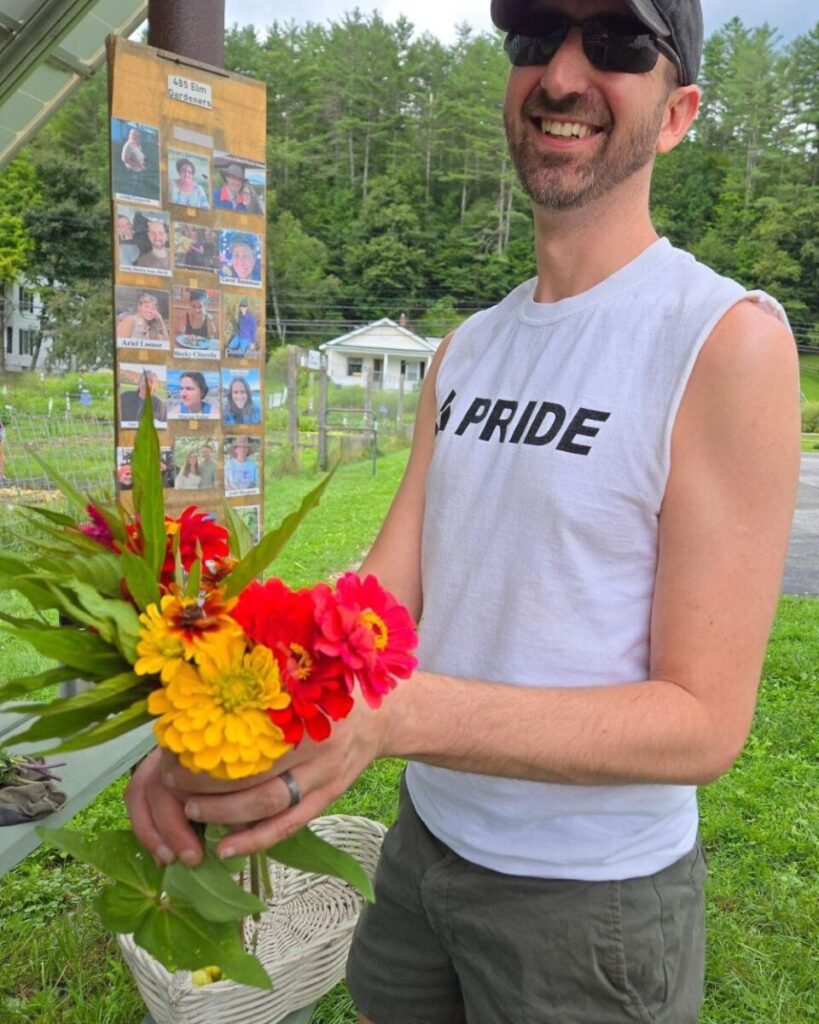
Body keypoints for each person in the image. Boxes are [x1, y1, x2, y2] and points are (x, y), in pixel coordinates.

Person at [125, 3, 800, 1022]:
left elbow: (702, 722)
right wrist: (216, 713)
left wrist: (396, 714)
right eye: (536, 36)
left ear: (678, 112)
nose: (563, 75)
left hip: (590, 906)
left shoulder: (721, 339)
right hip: (424, 850)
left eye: (616, 43)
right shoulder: (470, 348)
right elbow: (378, 600)